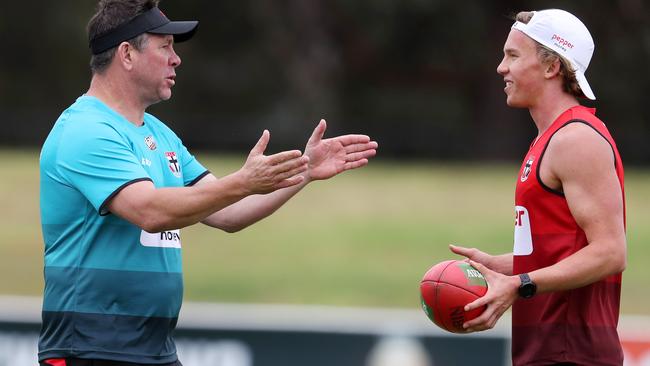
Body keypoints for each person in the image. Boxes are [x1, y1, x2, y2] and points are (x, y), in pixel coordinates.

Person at [38, 0, 378, 365]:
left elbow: (229, 212)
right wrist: (245, 181)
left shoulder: (160, 135)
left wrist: (304, 170)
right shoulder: (86, 130)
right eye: (165, 46)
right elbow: (149, 211)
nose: (176, 59)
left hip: (153, 349)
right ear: (126, 54)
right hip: (89, 348)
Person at [450, 9, 626, 366]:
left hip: (572, 355)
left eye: (513, 56)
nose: (501, 67)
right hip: (549, 353)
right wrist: (505, 267)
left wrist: (521, 283)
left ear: (551, 68)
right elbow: (565, 250)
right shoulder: (549, 139)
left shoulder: (575, 140)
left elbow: (610, 252)